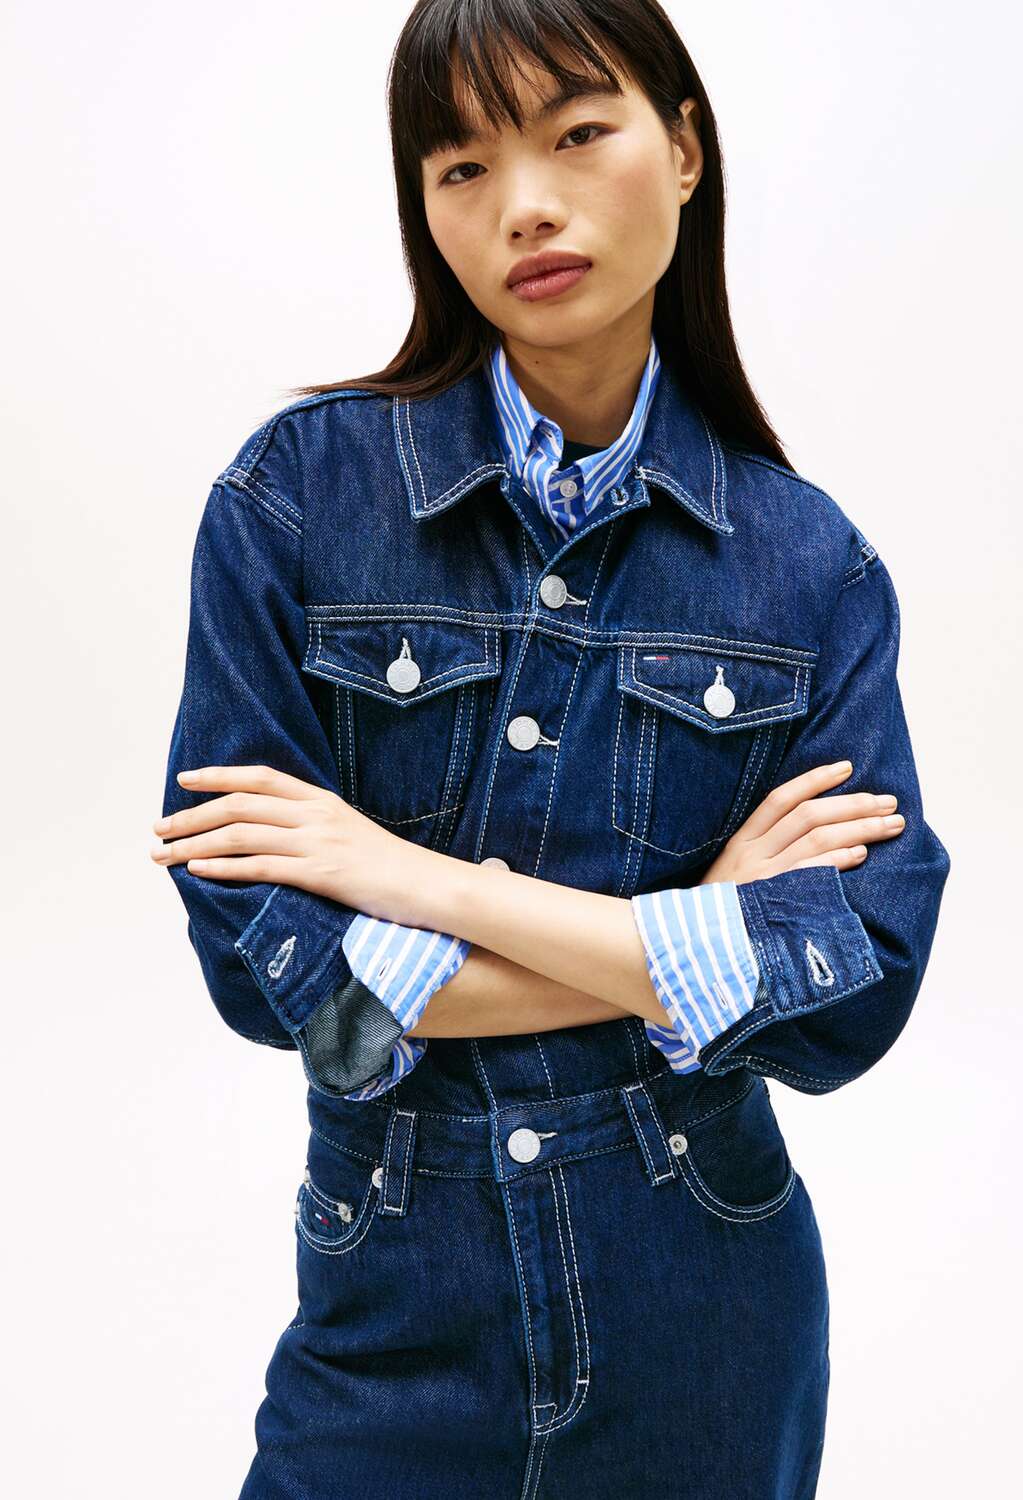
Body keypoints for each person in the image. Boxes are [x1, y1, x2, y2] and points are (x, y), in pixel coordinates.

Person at [151, 2, 951, 1494]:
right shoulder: (295, 502)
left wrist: (409, 882)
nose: (524, 205)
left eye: (579, 133)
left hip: (709, 1329)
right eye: (461, 167)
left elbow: (850, 997)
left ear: (685, 149)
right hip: (386, 1328)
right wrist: (687, 941)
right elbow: (286, 993)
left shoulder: (811, 570)